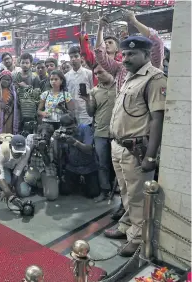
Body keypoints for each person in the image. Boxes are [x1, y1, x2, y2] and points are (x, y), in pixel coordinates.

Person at [104, 36, 167, 257]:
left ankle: (138, 238)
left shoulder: (155, 79)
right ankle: (126, 226)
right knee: (125, 192)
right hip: (119, 145)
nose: (126, 58)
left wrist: (151, 156)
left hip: (136, 149)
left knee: (138, 195)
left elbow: (158, 119)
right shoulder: (129, 77)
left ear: (147, 55)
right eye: (125, 54)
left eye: (132, 54)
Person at [80, 64, 116, 202]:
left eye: (101, 72)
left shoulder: (120, 87)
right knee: (102, 164)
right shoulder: (94, 91)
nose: (98, 76)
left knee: (118, 164)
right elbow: (90, 112)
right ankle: (104, 191)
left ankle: (117, 190)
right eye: (96, 74)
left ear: (109, 69)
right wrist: (87, 101)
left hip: (117, 133)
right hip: (100, 132)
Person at [55, 114, 100, 199]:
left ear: (76, 123)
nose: (71, 131)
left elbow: (89, 149)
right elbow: (59, 155)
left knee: (93, 193)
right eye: (68, 129)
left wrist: (75, 142)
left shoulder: (85, 128)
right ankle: (77, 182)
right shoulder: (61, 133)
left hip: (88, 167)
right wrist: (56, 141)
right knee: (64, 191)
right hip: (72, 167)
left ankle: (83, 182)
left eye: (72, 128)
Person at [25, 123, 59, 201]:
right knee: (29, 178)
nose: (44, 138)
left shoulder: (52, 141)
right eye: (43, 135)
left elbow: (48, 163)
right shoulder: (30, 137)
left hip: (47, 169)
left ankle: (43, 184)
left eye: (47, 137)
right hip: (34, 167)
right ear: (38, 133)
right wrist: (33, 146)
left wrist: (43, 151)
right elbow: (25, 157)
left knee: (52, 196)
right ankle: (39, 184)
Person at [65, 46, 94, 126]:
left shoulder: (89, 74)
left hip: (86, 113)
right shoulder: (66, 76)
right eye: (71, 57)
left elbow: (93, 91)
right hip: (72, 114)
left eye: (76, 56)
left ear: (81, 57)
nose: (73, 59)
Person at [0, 70, 19, 134]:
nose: (6, 81)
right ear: (0, 79)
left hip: (10, 116)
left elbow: (15, 104)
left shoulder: (13, 91)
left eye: (8, 80)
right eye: (4, 79)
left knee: (8, 132)